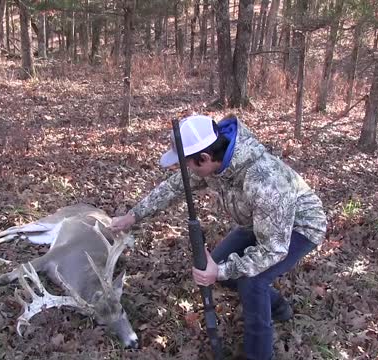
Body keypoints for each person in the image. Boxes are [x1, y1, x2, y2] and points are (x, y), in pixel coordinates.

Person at [109, 114, 327, 360]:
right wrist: (133, 216)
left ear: (203, 158)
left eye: (189, 164)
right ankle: (277, 306)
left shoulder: (265, 181)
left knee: (251, 281)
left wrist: (221, 271)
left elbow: (274, 249)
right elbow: (175, 186)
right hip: (258, 222)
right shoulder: (215, 158)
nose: (188, 170)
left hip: (300, 227)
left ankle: (259, 355)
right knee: (221, 267)